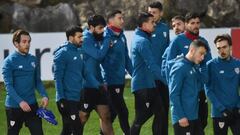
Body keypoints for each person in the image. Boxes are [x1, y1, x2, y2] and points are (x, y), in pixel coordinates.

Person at [166, 12, 212, 132]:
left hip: (198, 90)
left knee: (202, 123)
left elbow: (207, 64)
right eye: (192, 23)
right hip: (183, 91)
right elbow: (168, 64)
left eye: (197, 23)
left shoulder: (203, 42)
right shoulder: (177, 42)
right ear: (186, 24)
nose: (195, 26)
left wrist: (203, 77)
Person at [2, 29, 49, 135]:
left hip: (32, 105)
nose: (27, 44)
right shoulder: (8, 62)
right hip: (14, 107)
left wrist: (44, 95)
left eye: (29, 41)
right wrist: (20, 102)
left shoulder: (33, 59)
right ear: (16, 43)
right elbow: (8, 86)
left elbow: (37, 81)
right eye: (24, 42)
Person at [53, 25, 95, 135]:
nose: (82, 39)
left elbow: (85, 72)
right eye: (79, 37)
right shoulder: (62, 53)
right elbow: (57, 78)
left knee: (67, 129)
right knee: (77, 129)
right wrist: (61, 98)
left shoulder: (79, 52)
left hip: (77, 97)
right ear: (71, 38)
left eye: (82, 36)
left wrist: (98, 86)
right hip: (66, 99)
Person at [130, 12, 165, 135]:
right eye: (152, 22)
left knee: (159, 112)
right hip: (143, 86)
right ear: (144, 25)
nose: (154, 25)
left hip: (149, 84)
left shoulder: (142, 38)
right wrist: (167, 81)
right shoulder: (142, 41)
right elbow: (152, 65)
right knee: (140, 118)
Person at [79, 14, 114, 135]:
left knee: (106, 116)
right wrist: (107, 39)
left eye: (103, 28)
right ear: (91, 27)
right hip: (86, 85)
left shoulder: (97, 38)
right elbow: (99, 55)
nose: (102, 31)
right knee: (82, 117)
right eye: (100, 28)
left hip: (98, 84)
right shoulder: (85, 39)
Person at [100, 10, 132, 135]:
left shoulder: (122, 36)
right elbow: (99, 58)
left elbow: (126, 58)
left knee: (112, 113)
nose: (122, 21)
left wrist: (134, 74)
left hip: (120, 80)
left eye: (122, 18)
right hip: (109, 81)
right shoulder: (104, 36)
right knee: (123, 111)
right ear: (111, 20)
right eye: (120, 18)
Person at [169, 39, 208, 135]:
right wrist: (181, 116)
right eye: (201, 54)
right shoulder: (180, 67)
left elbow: (204, 80)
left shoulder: (192, 66)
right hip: (183, 119)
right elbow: (174, 94)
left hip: (194, 117)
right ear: (192, 50)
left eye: (204, 55)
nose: (202, 57)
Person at [205, 34, 240, 135]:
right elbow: (208, 90)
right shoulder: (210, 65)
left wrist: (238, 107)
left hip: (236, 112)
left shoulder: (238, 64)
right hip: (219, 113)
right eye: (219, 48)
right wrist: (222, 109)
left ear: (231, 47)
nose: (221, 51)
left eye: (224, 47)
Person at [148, 2, 169, 134]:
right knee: (154, 111)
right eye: (150, 12)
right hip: (150, 77)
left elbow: (166, 52)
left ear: (161, 13)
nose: (151, 15)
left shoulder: (165, 28)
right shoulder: (146, 29)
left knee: (164, 110)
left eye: (154, 13)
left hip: (163, 77)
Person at [162, 15, 185, 84]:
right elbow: (165, 61)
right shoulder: (172, 43)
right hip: (177, 81)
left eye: (178, 24)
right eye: (174, 26)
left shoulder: (194, 41)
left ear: (186, 24)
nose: (176, 28)